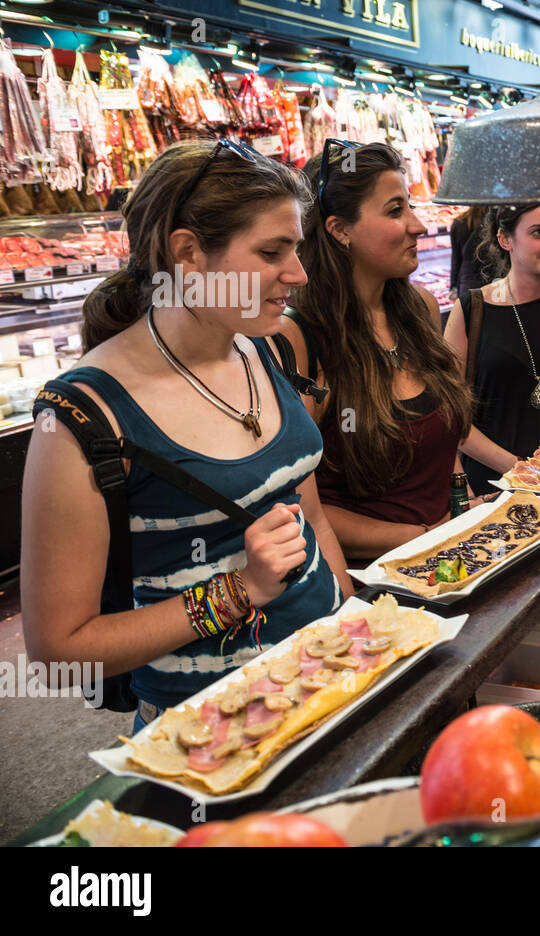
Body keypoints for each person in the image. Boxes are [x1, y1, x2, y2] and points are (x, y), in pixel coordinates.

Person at [21, 140, 351, 733]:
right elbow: (60, 651)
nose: (297, 275)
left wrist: (355, 635)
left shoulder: (266, 349)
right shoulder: (84, 414)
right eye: (271, 251)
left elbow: (310, 519)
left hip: (333, 689)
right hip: (215, 738)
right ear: (189, 254)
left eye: (296, 249)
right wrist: (238, 591)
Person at [284, 142, 485, 565]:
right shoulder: (299, 338)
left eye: (410, 206)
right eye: (395, 210)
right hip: (371, 589)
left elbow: (444, 444)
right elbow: (298, 506)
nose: (417, 225)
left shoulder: (421, 309)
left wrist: (462, 510)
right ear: (340, 230)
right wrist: (426, 535)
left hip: (452, 561)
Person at [444, 204, 540, 493]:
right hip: (493, 482)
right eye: (538, 232)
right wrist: (523, 470)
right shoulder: (471, 309)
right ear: (505, 239)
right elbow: (453, 416)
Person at [449, 204, 493, 302]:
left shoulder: (459, 222)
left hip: (467, 282)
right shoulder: (494, 222)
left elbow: (456, 259)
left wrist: (453, 286)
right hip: (493, 280)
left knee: (470, 314)